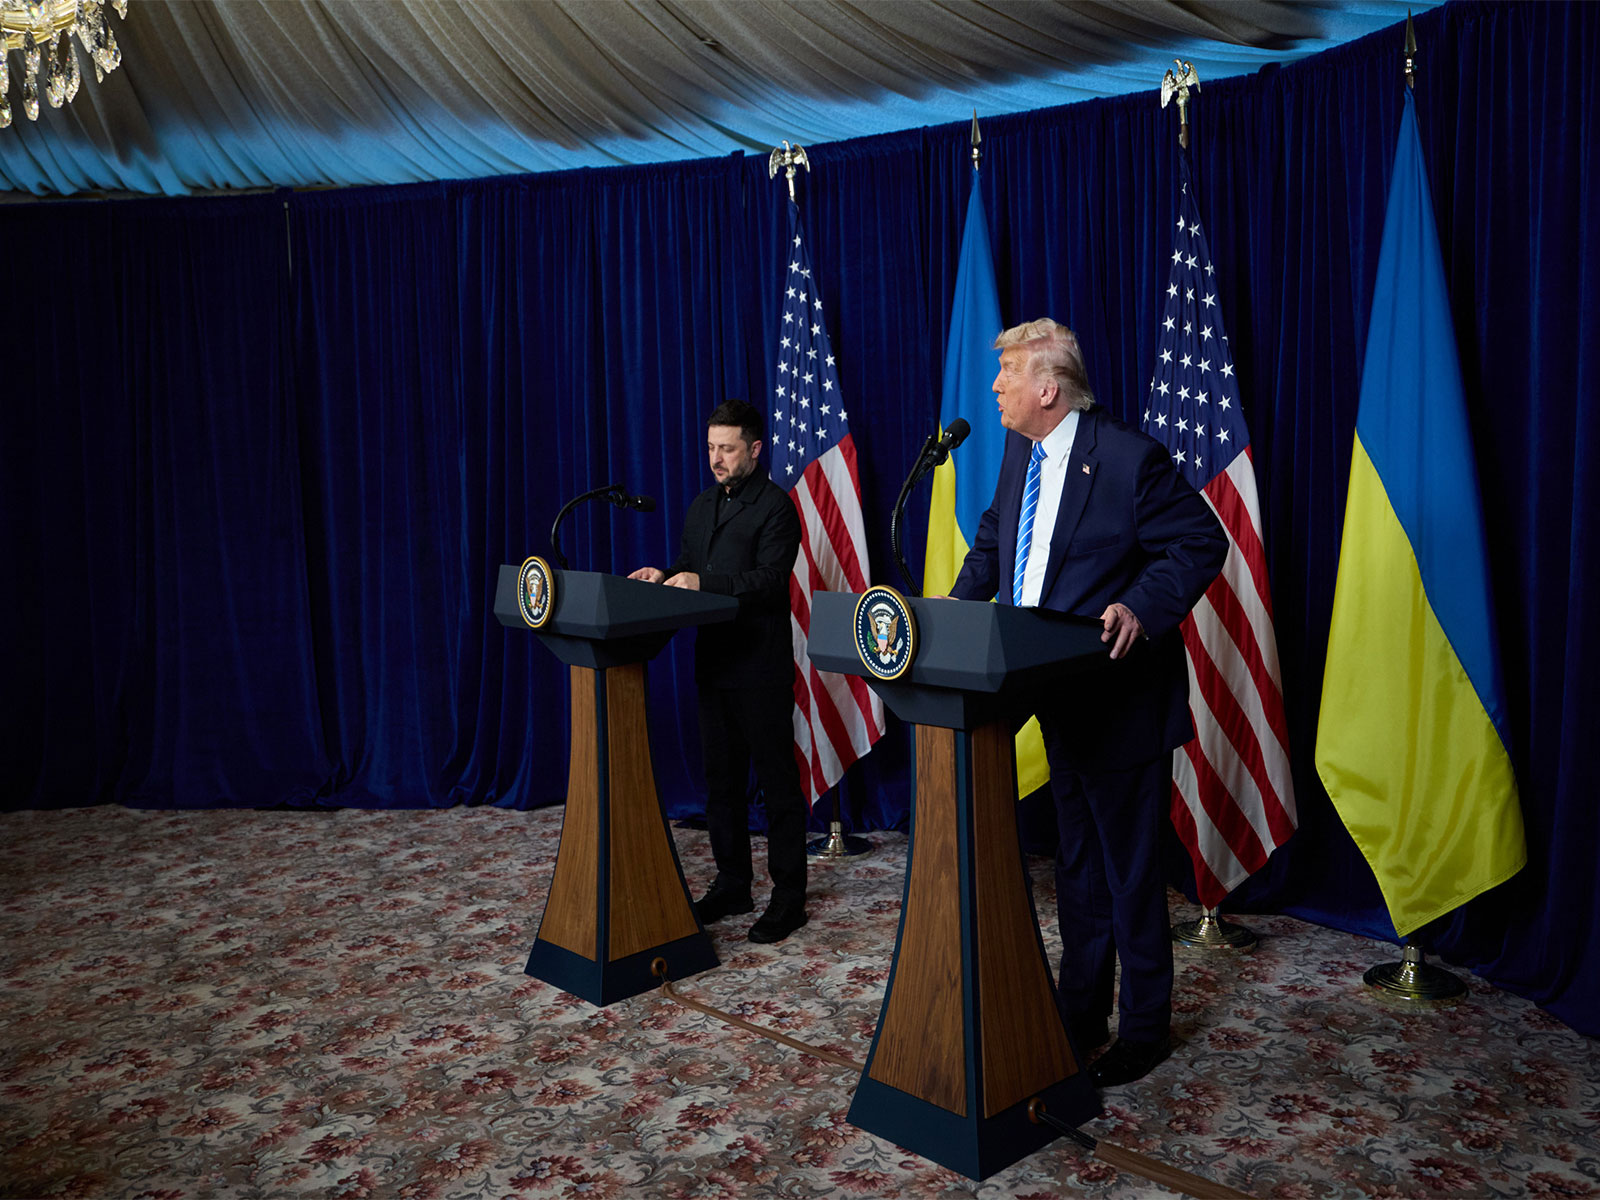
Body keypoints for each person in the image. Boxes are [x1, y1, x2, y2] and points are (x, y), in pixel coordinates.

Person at [950, 319, 1227, 1088]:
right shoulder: (1021, 451)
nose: (996, 385)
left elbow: (1201, 542)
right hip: (1052, 693)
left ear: (1048, 388)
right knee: (1077, 864)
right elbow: (997, 536)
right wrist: (954, 610)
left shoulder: (1130, 458)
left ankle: (1144, 1028)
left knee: (1130, 875)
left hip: (1121, 698)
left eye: (1008, 372)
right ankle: (1080, 1012)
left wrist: (1141, 604)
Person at [628, 399, 810, 945]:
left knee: (777, 787)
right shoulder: (702, 504)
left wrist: (702, 583)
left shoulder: (776, 507)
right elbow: (691, 568)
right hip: (713, 663)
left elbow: (770, 582)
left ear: (754, 449)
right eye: (710, 447)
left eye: (726, 449)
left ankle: (789, 897)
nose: (716, 458)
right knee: (721, 785)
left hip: (759, 666)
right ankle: (733, 884)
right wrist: (664, 574)